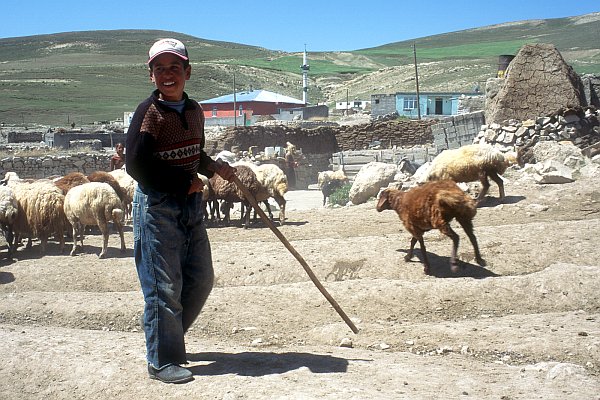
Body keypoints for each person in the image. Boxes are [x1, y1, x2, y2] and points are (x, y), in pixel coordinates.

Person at [125, 38, 236, 384]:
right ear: (151, 75)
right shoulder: (149, 113)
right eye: (160, 68)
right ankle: (161, 360)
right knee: (163, 286)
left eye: (175, 67)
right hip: (158, 206)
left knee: (201, 278)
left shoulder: (193, 110)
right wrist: (179, 184)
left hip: (189, 203)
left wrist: (214, 167)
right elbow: (136, 165)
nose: (167, 74)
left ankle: (168, 339)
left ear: (187, 71)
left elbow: (192, 153)